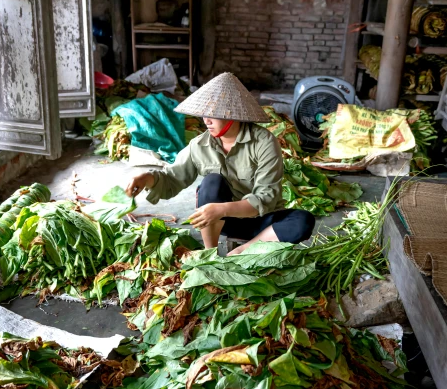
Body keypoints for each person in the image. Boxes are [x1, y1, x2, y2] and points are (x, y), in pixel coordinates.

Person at [125, 72, 315, 255]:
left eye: (213, 114)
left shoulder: (264, 142)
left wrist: (222, 208)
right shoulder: (199, 145)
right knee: (211, 182)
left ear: (233, 114)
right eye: (204, 114)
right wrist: (146, 178)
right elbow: (171, 179)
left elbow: (266, 198)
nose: (206, 120)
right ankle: (210, 253)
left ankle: (242, 250)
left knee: (302, 221)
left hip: (262, 221)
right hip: (223, 223)